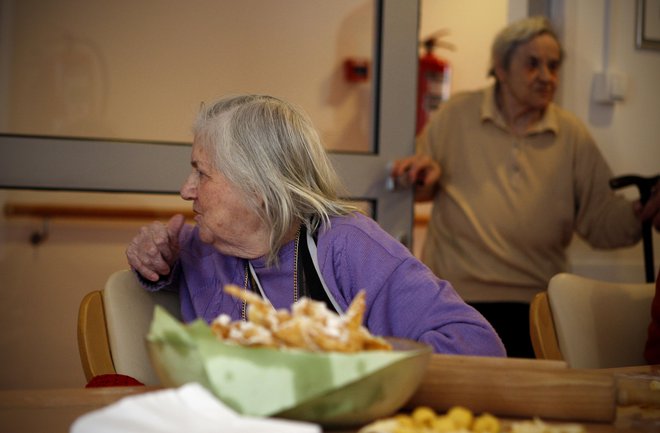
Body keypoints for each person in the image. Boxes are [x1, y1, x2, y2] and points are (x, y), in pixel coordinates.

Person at [126, 94, 505, 357]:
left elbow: (477, 344)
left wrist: (356, 369)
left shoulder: (347, 244)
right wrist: (151, 256)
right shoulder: (199, 247)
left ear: (259, 186)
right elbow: (158, 260)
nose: (185, 190)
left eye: (201, 173)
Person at [391, 16, 660, 358]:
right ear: (501, 69)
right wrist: (423, 175)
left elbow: (602, 221)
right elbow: (420, 183)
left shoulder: (571, 134)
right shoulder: (455, 114)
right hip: (455, 299)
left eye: (553, 66)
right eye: (533, 64)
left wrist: (641, 210)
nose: (547, 77)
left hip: (536, 305)